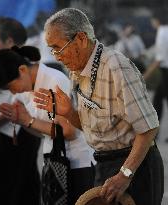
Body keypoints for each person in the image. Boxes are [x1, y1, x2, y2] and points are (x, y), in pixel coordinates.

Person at [33, 8, 164, 205]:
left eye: (58, 48)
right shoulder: (77, 70)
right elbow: (91, 128)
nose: (56, 56)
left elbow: (149, 127)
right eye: (51, 50)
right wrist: (69, 112)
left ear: (81, 39)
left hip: (135, 166)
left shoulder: (115, 66)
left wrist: (125, 174)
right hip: (104, 164)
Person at [0, 45, 95, 205]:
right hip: (53, 161)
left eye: (10, 87)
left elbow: (68, 131)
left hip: (76, 164)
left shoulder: (54, 81)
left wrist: (27, 121)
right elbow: (43, 133)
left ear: (22, 70)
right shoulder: (26, 89)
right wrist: (24, 121)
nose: (13, 93)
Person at [0, 18, 41, 205]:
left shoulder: (13, 70)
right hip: (24, 139)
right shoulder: (27, 65)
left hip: (11, 142)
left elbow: (11, 108)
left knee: (5, 191)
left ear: (9, 42)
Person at [143, 9, 168, 142]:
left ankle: (154, 134)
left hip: (166, 71)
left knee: (157, 102)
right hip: (165, 71)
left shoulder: (161, 32)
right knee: (158, 101)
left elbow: (159, 59)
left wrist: (144, 76)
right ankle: (154, 134)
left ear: (156, 21)